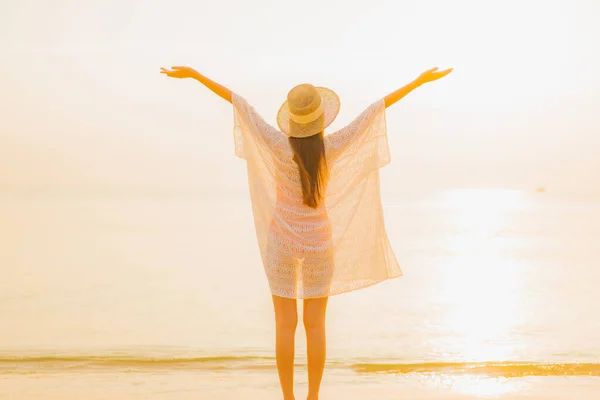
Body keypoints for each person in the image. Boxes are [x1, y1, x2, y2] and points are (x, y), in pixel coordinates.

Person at [160, 65, 452, 400]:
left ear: (292, 120)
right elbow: (376, 110)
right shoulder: (332, 146)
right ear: (320, 118)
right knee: (316, 326)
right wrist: (417, 81)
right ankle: (313, 397)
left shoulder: (276, 143)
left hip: (281, 241)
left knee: (285, 326)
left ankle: (288, 398)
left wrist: (196, 75)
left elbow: (238, 103)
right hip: (319, 243)